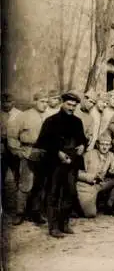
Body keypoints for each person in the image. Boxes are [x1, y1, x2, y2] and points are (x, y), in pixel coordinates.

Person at [35, 91, 86, 238]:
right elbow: (42, 142)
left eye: (74, 106)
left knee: (70, 193)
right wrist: (58, 152)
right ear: (62, 103)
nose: (71, 108)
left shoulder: (77, 122)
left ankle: (64, 224)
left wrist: (83, 145)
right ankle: (54, 227)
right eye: (69, 105)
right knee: (53, 194)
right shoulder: (51, 121)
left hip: (72, 163)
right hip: (54, 164)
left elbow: (82, 139)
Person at [7, 90, 48, 225]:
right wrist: (18, 151)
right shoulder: (23, 116)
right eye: (42, 101)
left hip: (44, 153)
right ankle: (20, 213)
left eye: (47, 102)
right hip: (28, 151)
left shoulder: (49, 116)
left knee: (40, 185)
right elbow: (12, 136)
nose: (45, 104)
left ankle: (36, 213)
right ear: (35, 101)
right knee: (25, 185)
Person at [77, 132, 114, 218]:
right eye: (102, 144)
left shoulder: (110, 155)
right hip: (88, 186)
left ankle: (109, 205)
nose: (104, 147)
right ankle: (78, 207)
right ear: (97, 144)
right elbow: (77, 173)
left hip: (101, 184)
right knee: (90, 214)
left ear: (110, 146)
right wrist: (91, 177)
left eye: (107, 145)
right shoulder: (88, 154)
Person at [1, 93, 21, 198]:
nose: (5, 104)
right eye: (3, 102)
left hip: (15, 146)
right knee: (2, 172)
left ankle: (18, 194)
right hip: (2, 146)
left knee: (17, 172)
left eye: (8, 102)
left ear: (13, 102)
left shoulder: (19, 114)